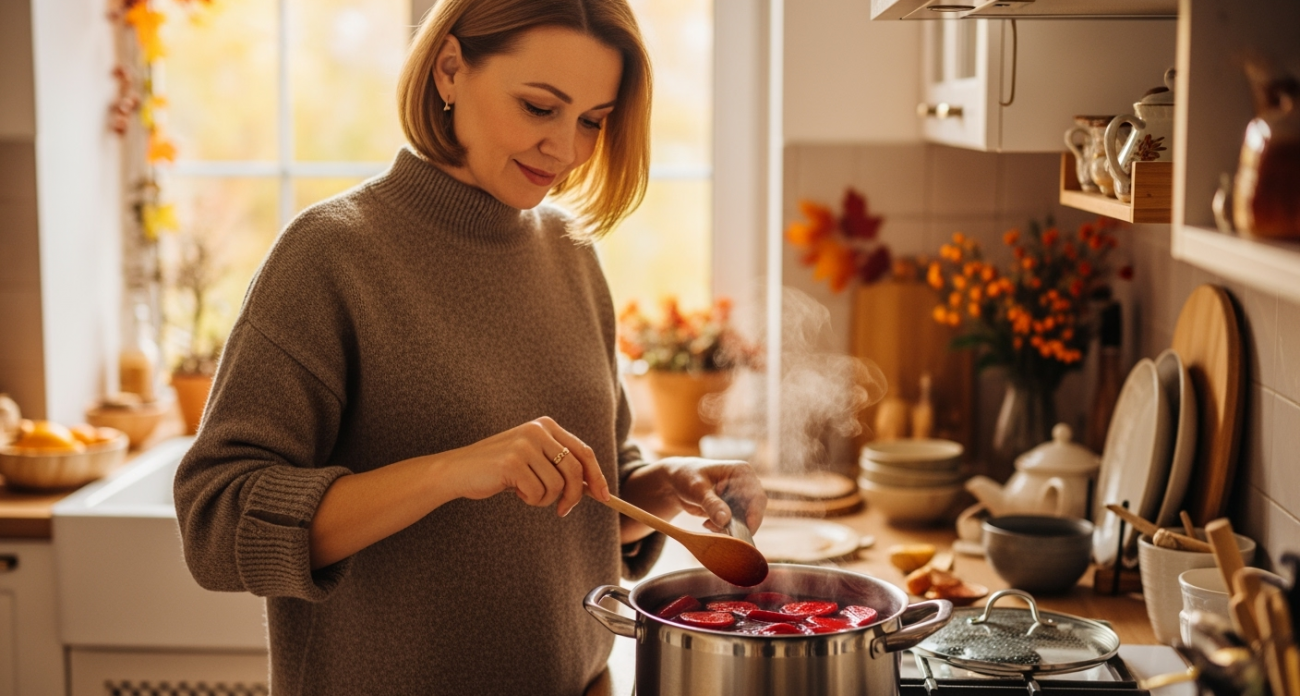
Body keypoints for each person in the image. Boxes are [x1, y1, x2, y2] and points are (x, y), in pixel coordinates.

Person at [172, 0, 767, 693]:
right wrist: (450, 472)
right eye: (541, 108)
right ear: (450, 69)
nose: (569, 150)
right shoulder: (331, 255)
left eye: (593, 122)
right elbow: (215, 526)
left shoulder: (572, 256)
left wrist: (656, 487)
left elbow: (583, 491)